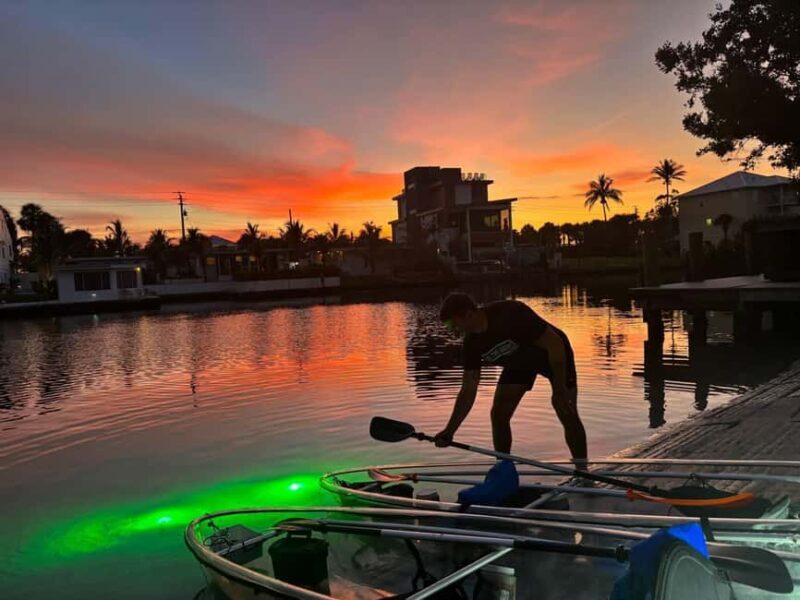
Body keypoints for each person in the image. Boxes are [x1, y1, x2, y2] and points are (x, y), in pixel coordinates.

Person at [435, 293, 587, 464]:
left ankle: (582, 471)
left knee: (566, 410)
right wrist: (450, 430)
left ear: (468, 315)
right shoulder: (471, 344)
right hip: (519, 362)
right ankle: (504, 468)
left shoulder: (511, 313)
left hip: (552, 354)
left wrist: (559, 388)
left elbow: (554, 344)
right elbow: (468, 389)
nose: (452, 331)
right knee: (499, 414)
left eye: (452, 324)